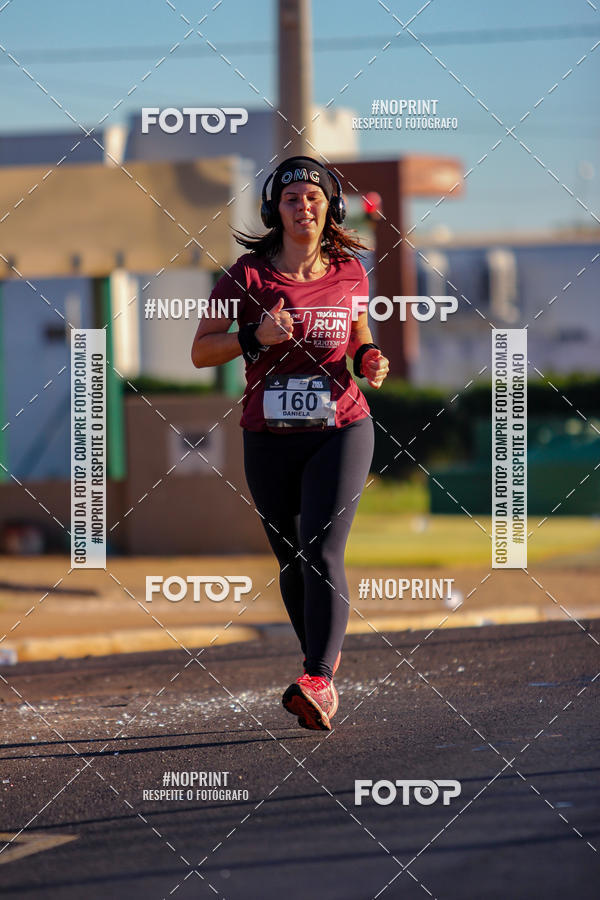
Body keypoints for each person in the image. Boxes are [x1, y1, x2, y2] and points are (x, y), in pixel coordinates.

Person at [191, 156, 389, 730]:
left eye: (314, 197)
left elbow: (358, 339)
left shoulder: (351, 271)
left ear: (331, 207)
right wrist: (255, 335)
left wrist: (369, 359)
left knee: (322, 546)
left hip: (342, 427)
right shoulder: (246, 277)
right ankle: (317, 672)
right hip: (268, 434)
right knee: (291, 558)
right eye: (292, 199)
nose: (304, 207)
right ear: (274, 211)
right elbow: (202, 351)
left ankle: (319, 678)